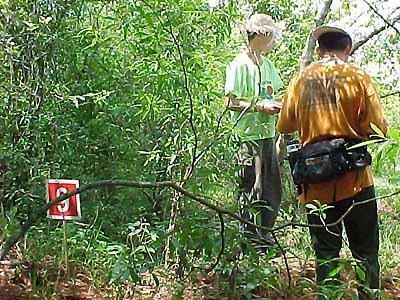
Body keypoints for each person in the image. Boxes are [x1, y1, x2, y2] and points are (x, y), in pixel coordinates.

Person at [277, 25, 387, 299]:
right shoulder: (358, 77)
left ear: (318, 51)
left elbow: (284, 125)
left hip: (315, 184)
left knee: (326, 254)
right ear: (347, 48)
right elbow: (379, 129)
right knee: (366, 252)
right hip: (356, 182)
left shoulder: (300, 80)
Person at [224, 13, 283, 253]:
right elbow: (229, 102)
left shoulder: (267, 65)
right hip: (247, 138)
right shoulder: (239, 65)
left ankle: (264, 242)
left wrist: (278, 106)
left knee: (271, 190)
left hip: (268, 136)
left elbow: (273, 94)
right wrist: (258, 106)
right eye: (272, 36)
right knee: (251, 189)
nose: (273, 42)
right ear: (262, 34)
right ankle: (248, 245)